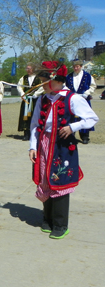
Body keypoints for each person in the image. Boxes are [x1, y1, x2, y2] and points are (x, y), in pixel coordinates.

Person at [29, 61, 98, 239]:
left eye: (44, 81)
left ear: (56, 80)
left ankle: (60, 224)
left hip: (62, 146)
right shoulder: (43, 99)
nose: (42, 85)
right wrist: (32, 146)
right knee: (45, 179)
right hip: (44, 145)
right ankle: (47, 219)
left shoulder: (72, 98)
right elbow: (35, 124)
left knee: (60, 181)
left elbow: (91, 118)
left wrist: (73, 127)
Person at [65, 59, 97, 144]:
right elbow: (65, 87)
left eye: (77, 67)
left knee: (84, 116)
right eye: (74, 67)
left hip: (84, 99)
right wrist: (70, 94)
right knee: (72, 117)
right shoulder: (69, 76)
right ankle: (71, 135)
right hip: (73, 99)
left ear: (81, 66)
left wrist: (87, 93)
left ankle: (85, 136)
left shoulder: (88, 76)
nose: (75, 68)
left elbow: (93, 86)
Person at [17, 63, 44, 141]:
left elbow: (42, 86)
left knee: (35, 116)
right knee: (25, 116)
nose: (28, 70)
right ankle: (26, 134)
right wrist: (23, 94)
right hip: (26, 100)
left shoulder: (39, 78)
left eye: (29, 68)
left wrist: (36, 94)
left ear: (33, 69)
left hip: (35, 100)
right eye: (27, 68)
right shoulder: (23, 78)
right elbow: (19, 86)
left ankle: (35, 133)